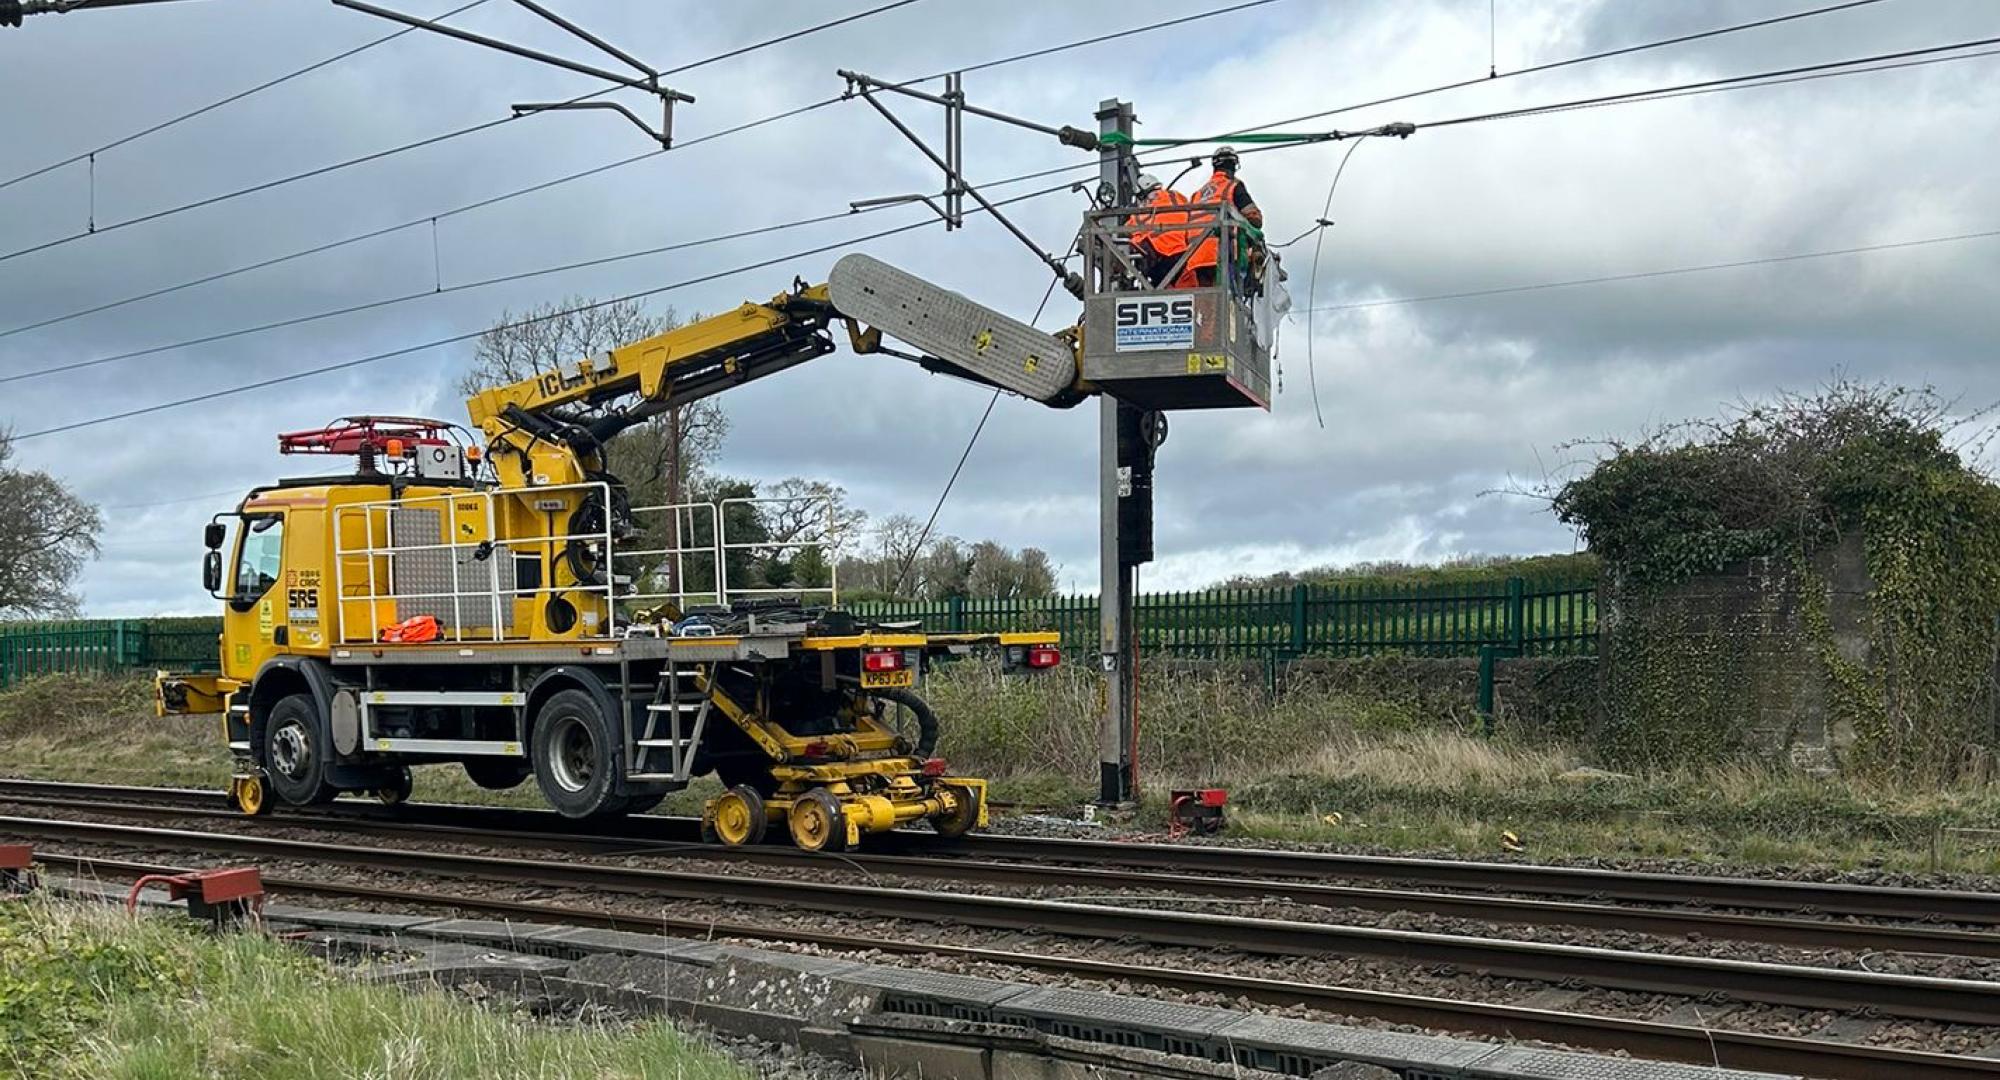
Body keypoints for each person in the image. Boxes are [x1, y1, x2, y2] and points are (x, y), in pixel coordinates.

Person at [1178, 146, 1263, 289]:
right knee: (1226, 302)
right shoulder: (1233, 186)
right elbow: (1255, 219)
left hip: (1196, 258)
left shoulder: (1197, 194)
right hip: (1223, 255)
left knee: (1207, 305)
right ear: (1234, 166)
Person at [1128, 172, 1190, 287]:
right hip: (1184, 253)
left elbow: (1127, 232)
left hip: (1160, 258)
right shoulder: (1176, 197)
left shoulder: (1141, 214)